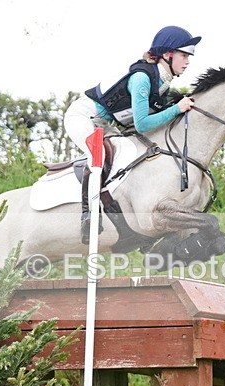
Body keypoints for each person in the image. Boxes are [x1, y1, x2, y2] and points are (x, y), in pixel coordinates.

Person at [64, 25, 201, 239]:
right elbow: (142, 124)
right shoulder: (142, 78)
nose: (188, 61)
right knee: (99, 154)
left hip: (105, 123)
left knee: (127, 154)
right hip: (83, 116)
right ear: (167, 54)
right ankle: (88, 215)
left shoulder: (161, 80)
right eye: (184, 55)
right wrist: (177, 108)